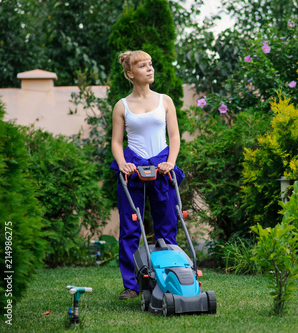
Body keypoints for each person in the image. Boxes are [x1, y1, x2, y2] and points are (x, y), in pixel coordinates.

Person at [110, 50, 184, 300]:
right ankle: (132, 285)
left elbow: (174, 137)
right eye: (143, 66)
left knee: (167, 227)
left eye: (150, 64)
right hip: (132, 169)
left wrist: (170, 162)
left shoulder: (165, 100)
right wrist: (122, 163)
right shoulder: (122, 106)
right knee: (131, 228)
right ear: (130, 74)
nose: (150, 69)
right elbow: (117, 142)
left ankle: (169, 278)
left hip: (162, 167)